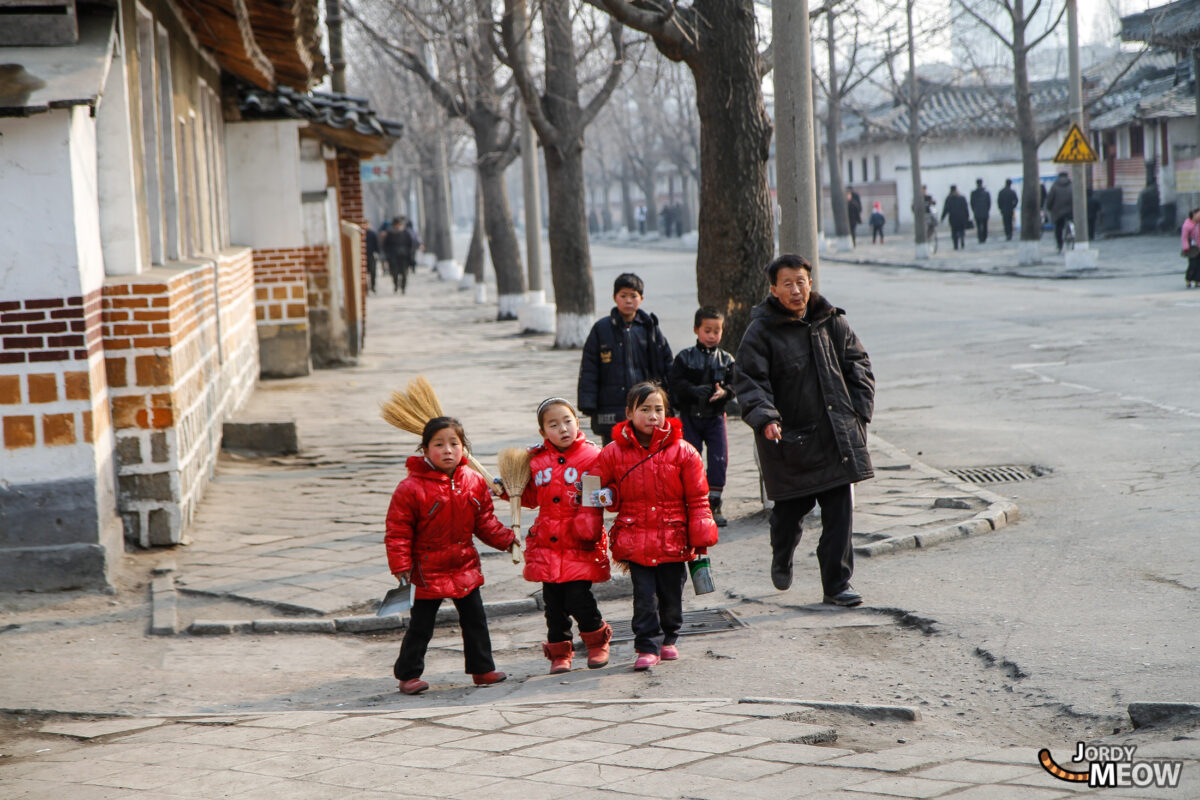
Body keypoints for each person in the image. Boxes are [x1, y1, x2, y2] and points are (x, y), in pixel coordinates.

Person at [732, 254, 874, 607]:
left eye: (801, 281)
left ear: (811, 283)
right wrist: (767, 419)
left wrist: (859, 411)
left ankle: (837, 585)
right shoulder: (761, 332)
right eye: (788, 284)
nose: (796, 290)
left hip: (836, 436)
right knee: (788, 514)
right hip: (791, 440)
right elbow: (749, 382)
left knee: (840, 513)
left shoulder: (832, 321)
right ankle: (782, 553)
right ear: (774, 290)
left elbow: (859, 363)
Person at [384, 417, 517, 695]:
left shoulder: (473, 482)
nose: (447, 450)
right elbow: (398, 531)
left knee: (476, 621)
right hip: (425, 570)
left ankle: (482, 669)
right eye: (439, 444)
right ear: (424, 449)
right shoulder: (410, 488)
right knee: (421, 627)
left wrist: (507, 540)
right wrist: (401, 565)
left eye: (454, 444)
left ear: (464, 448)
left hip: (464, 565)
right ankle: (408, 675)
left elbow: (485, 522)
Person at [594, 382, 719, 670]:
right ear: (629, 412)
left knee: (671, 594)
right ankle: (646, 645)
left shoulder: (684, 452)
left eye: (658, 409)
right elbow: (600, 489)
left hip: (674, 538)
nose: (652, 416)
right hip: (635, 538)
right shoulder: (613, 452)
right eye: (645, 409)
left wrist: (701, 532)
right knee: (644, 597)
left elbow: (698, 496)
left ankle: (669, 638)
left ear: (667, 412)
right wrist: (608, 496)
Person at [518, 398, 613, 673]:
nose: (563, 428)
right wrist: (508, 491)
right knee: (553, 605)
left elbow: (607, 491)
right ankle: (560, 653)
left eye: (567, 421)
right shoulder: (536, 461)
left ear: (577, 422)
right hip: (547, 543)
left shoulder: (593, 456)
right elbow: (531, 498)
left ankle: (597, 642)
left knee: (578, 598)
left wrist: (605, 497)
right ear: (543, 432)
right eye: (553, 424)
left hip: (579, 541)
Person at [577, 273, 673, 444]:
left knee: (646, 446)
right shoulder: (601, 329)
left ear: (641, 298)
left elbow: (666, 362)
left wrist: (671, 397)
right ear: (615, 297)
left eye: (633, 296)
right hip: (611, 403)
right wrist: (588, 403)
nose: (628, 300)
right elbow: (590, 368)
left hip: (646, 401)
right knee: (614, 448)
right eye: (623, 296)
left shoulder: (649, 328)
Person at [669, 307, 735, 528]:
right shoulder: (685, 358)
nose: (712, 335)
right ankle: (692, 505)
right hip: (690, 418)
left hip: (715, 418)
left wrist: (725, 393)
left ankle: (714, 503)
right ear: (696, 329)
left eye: (717, 331)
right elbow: (675, 382)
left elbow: (737, 384)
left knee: (719, 460)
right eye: (707, 330)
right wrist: (692, 390)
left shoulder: (726, 360)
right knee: (690, 461)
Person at [381, 216, 415, 294]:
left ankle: (403, 287)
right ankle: (396, 285)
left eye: (399, 224)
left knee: (404, 273)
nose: (398, 226)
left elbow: (410, 244)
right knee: (394, 272)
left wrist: (410, 254)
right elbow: (386, 245)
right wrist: (388, 255)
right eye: (397, 224)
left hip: (404, 256)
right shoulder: (390, 234)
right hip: (393, 257)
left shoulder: (406, 233)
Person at [1044, 171, 1074, 253]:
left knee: (1058, 228)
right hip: (1070, 211)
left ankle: (1059, 244)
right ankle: (1073, 237)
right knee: (1073, 224)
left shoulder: (1054, 186)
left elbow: (1050, 199)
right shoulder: (1072, 185)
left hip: (1058, 212)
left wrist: (1049, 208)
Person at [941, 186, 971, 250]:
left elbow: (945, 209)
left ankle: (955, 245)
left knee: (954, 232)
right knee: (961, 230)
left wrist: (942, 218)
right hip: (961, 218)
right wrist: (967, 216)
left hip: (953, 218)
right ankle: (962, 239)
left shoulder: (948, 199)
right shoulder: (962, 198)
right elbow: (965, 208)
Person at [1182, 207, 1200, 289]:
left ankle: (1197, 281)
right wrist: (1186, 247)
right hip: (1191, 249)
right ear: (1194, 214)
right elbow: (1184, 237)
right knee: (1193, 264)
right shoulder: (1187, 225)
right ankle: (1188, 280)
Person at [970, 179, 991, 243]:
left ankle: (980, 237)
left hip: (977, 212)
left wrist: (974, 210)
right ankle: (984, 237)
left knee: (978, 226)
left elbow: (972, 203)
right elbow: (989, 203)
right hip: (985, 212)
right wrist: (987, 209)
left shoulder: (973, 193)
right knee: (985, 225)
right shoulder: (986, 193)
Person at [365, 223, 380, 293]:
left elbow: (376, 244)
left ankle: (373, 286)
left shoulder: (372, 233)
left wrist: (377, 253)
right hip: (364, 255)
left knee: (373, 272)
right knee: (365, 272)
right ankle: (366, 288)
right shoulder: (363, 233)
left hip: (371, 255)